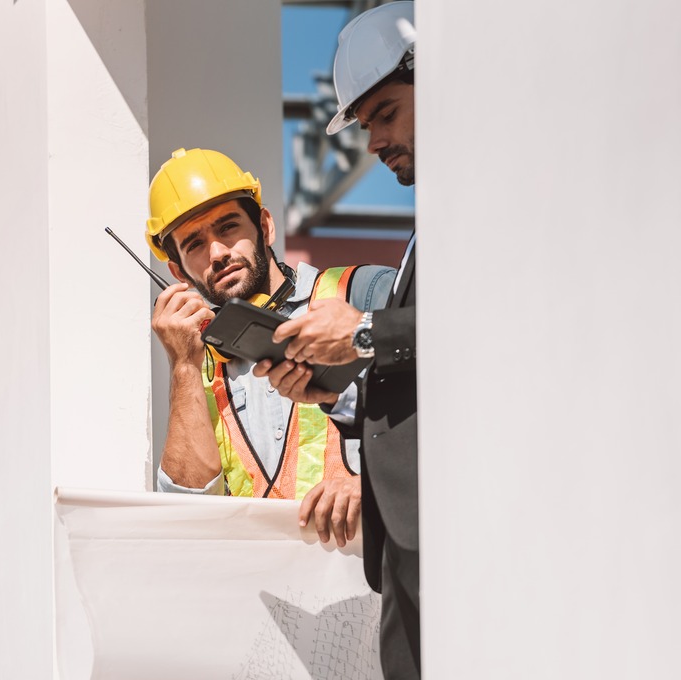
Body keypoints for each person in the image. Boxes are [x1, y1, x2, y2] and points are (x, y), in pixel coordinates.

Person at [253, 3, 420, 677]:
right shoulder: (428, 231)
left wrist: (363, 330)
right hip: (407, 552)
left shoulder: (494, 205)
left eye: (386, 113)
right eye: (365, 124)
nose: (374, 141)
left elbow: (502, 328)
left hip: (452, 541)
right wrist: (337, 386)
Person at [147, 147, 395, 548]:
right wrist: (184, 366)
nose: (218, 253)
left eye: (228, 227)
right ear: (177, 272)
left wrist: (374, 482)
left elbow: (450, 417)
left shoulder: (366, 293)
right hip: (261, 596)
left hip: (371, 588)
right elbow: (184, 513)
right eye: (194, 243)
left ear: (264, 226)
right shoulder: (198, 363)